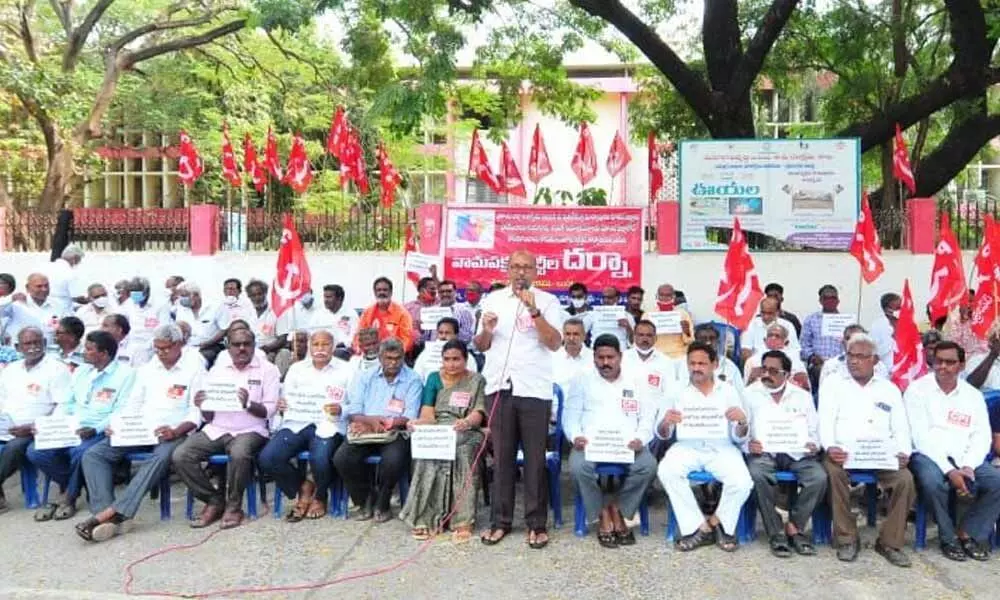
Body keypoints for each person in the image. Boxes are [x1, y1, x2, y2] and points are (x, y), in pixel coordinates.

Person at [74, 324, 203, 542]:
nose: (161, 353)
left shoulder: (195, 370)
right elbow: (132, 404)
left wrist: (176, 430)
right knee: (94, 454)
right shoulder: (146, 370)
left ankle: (116, 512)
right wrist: (119, 424)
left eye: (165, 348)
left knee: (160, 457)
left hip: (173, 431)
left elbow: (196, 411)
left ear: (179, 345)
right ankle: (105, 514)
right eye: (157, 348)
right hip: (140, 430)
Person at [475, 250, 563, 549]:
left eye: (527, 267)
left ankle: (536, 525)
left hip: (534, 390)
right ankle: (500, 522)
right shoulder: (493, 300)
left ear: (536, 271)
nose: (521, 272)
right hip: (500, 387)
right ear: (507, 270)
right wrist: (485, 331)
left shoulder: (549, 302)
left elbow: (554, 343)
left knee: (535, 460)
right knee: (502, 459)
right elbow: (481, 345)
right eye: (515, 266)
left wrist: (534, 311)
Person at [819, 332, 915, 567]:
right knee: (833, 474)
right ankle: (847, 538)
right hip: (844, 453)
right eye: (850, 355)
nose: (853, 361)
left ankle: (890, 543)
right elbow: (825, 421)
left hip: (881, 454)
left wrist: (904, 452)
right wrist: (830, 447)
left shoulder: (888, 389)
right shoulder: (834, 384)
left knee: (905, 480)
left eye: (860, 356)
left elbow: (901, 425)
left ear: (874, 360)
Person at [173, 327, 279, 530]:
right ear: (227, 347)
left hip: (252, 429)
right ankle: (213, 500)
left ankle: (234, 507)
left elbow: (269, 411)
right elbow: (209, 416)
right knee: (181, 455)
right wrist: (203, 406)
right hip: (217, 428)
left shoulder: (268, 370)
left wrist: (248, 404)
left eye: (246, 344)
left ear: (254, 346)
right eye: (236, 345)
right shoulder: (217, 370)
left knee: (240, 454)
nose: (241, 349)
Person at [905, 341, 999, 561]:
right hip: (928, 455)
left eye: (950, 362)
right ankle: (948, 538)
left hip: (965, 457)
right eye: (939, 361)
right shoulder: (917, 390)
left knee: (996, 482)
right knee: (933, 483)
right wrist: (950, 471)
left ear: (962, 365)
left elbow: (981, 435)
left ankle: (967, 532)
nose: (943, 367)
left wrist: (968, 465)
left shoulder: (972, 395)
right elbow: (920, 437)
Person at [27, 331, 135, 522]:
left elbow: (120, 411)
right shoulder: (81, 371)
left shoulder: (126, 375)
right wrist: (52, 426)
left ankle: (68, 498)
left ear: (104, 353)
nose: (83, 352)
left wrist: (97, 429)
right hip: (72, 426)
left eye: (89, 349)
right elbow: (67, 403)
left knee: (81, 452)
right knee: (35, 450)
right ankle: (73, 487)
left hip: (99, 430)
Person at [655, 342, 752, 552]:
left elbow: (739, 436)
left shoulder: (728, 391)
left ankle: (716, 523)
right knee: (667, 471)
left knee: (743, 482)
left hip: (721, 447)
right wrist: (665, 423)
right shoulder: (675, 390)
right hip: (687, 446)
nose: (696, 368)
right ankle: (696, 526)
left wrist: (742, 422)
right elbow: (662, 433)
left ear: (714, 365)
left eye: (702, 363)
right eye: (692, 363)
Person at [565, 334, 657, 549]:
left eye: (610, 357)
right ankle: (601, 514)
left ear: (620, 357)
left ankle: (619, 509)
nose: (605, 363)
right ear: (594, 358)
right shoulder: (582, 379)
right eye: (600, 358)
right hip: (591, 444)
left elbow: (648, 417)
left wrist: (640, 439)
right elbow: (570, 416)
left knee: (648, 466)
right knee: (578, 467)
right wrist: (575, 436)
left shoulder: (637, 380)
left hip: (626, 444)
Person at [400, 339, 487, 543]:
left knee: (462, 452)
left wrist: (466, 422)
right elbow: (429, 415)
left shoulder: (476, 380)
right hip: (439, 428)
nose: (451, 364)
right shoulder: (433, 378)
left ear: (466, 360)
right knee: (428, 451)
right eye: (447, 359)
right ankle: (427, 518)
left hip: (467, 429)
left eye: (456, 359)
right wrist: (417, 424)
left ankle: (462, 520)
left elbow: (479, 413)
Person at [259, 330, 351, 522]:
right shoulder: (297, 369)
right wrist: (282, 405)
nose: (320, 349)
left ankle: (320, 496)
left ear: (332, 347)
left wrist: (341, 409)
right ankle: (303, 487)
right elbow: (285, 398)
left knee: (320, 457)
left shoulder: (346, 370)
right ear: (309, 347)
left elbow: (355, 402)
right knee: (268, 457)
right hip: (297, 422)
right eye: (316, 344)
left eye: (325, 344)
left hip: (328, 423)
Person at [745, 350, 825, 558]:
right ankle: (776, 531)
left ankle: (795, 526)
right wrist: (747, 444)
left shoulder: (802, 397)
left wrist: (813, 444)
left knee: (818, 478)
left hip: (796, 452)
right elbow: (740, 430)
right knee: (757, 474)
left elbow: (815, 431)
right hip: (764, 452)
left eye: (774, 370)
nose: (767, 374)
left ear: (787, 374)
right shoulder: (749, 394)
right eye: (764, 369)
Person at [333, 338, 422, 522]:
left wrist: (388, 423)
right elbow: (353, 409)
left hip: (395, 430)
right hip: (365, 428)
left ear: (403, 357)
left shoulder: (412, 378)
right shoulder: (364, 376)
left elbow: (410, 415)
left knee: (392, 460)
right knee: (342, 458)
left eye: (397, 358)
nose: (393, 363)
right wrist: (368, 421)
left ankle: (383, 501)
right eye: (388, 358)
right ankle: (365, 498)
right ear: (380, 358)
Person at [0, 327, 71, 514]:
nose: (32, 347)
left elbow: (63, 405)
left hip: (37, 430)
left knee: (14, 447)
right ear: (17, 347)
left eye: (36, 342)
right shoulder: (11, 370)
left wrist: (35, 426)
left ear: (45, 344)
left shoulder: (56, 368)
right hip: (7, 426)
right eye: (27, 343)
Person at [799, 285, 846, 391]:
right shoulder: (811, 320)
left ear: (838, 301)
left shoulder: (846, 321)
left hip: (841, 364)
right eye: (826, 298)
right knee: (821, 372)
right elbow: (803, 345)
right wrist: (812, 357)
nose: (830, 301)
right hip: (818, 363)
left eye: (833, 298)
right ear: (820, 300)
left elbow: (853, 344)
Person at [244, 280, 294, 377]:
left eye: (259, 294)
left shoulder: (278, 311)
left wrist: (265, 349)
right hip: (251, 352)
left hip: (272, 350)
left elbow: (282, 339)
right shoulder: (247, 314)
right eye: (253, 295)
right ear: (249, 297)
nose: (257, 298)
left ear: (265, 293)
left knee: (284, 353)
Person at [2, 273, 69, 345]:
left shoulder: (59, 305)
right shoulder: (15, 304)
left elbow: (68, 327)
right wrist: (11, 299)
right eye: (39, 286)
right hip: (18, 352)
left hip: (48, 352)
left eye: (46, 285)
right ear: (27, 287)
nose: (44, 289)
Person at [120, 277, 173, 366]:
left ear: (147, 291)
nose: (135, 295)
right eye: (133, 292)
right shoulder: (128, 304)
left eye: (138, 292)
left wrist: (149, 346)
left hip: (150, 346)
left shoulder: (161, 304)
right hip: (130, 345)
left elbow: (163, 329)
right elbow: (122, 323)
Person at [623, 319, 680, 399]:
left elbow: (669, 393)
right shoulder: (622, 359)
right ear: (634, 337)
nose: (645, 339)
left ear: (655, 338)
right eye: (641, 335)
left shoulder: (666, 362)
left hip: (655, 409)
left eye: (649, 335)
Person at [743, 323, 809, 390]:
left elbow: (804, 385)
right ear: (765, 340)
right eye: (770, 335)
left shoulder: (795, 361)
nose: (773, 338)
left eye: (777, 336)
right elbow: (747, 386)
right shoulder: (753, 361)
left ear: (786, 342)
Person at [357, 277, 414, 352]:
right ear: (374, 292)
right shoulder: (367, 312)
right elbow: (358, 336)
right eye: (379, 290)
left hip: (393, 355)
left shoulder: (402, 313)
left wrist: (393, 353)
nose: (382, 292)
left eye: (385, 290)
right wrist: (359, 350)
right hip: (371, 354)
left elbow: (407, 341)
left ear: (391, 292)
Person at [819, 324, 888, 385]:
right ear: (842, 342)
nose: (852, 341)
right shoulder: (831, 365)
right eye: (848, 338)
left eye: (857, 337)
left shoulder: (878, 366)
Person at [174, 282, 223, 366]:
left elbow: (224, 329)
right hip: (188, 346)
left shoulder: (215, 307)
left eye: (183, 295)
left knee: (197, 362)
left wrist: (208, 343)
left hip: (210, 346)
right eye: (180, 296)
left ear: (195, 295)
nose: (181, 299)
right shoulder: (180, 309)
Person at [412, 318, 476, 382]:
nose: (443, 336)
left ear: (456, 335)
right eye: (440, 333)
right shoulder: (426, 353)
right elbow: (417, 376)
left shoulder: (466, 356)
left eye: (447, 333)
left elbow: (471, 380)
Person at [693, 324, 744, 397]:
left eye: (712, 338)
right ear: (696, 342)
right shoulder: (686, 365)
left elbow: (740, 394)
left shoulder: (730, 366)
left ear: (718, 342)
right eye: (703, 339)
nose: (708, 342)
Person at [551, 318, 594, 402]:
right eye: (568, 334)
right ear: (563, 335)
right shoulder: (553, 357)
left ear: (584, 336)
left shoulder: (594, 358)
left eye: (576, 334)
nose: (571, 338)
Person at [647, 284, 693, 359]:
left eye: (668, 295)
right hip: (656, 354)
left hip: (679, 355)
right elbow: (643, 338)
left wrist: (687, 332)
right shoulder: (648, 314)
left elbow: (690, 341)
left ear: (673, 296)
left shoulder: (683, 314)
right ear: (657, 296)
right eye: (661, 295)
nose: (665, 298)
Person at [47, 244, 87, 313]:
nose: (78, 263)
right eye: (79, 260)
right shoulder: (70, 273)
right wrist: (92, 300)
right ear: (74, 258)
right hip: (63, 309)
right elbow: (77, 297)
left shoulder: (47, 267)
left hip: (46, 307)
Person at [871, 292, 902, 369]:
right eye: (898, 308)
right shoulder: (877, 326)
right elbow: (873, 350)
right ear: (887, 309)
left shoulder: (906, 323)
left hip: (904, 368)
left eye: (901, 307)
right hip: (885, 367)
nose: (900, 310)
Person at [406, 277, 439, 344]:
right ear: (422, 290)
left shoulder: (440, 303)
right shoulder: (408, 308)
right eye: (432, 289)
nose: (435, 291)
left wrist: (434, 275)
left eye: (435, 289)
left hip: (437, 346)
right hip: (416, 346)